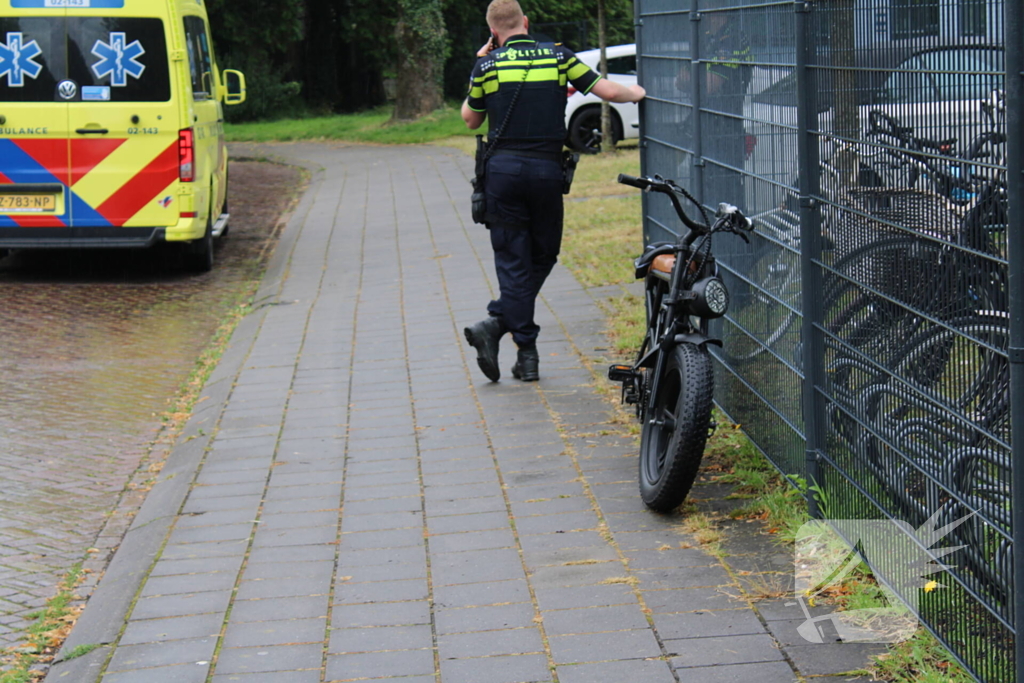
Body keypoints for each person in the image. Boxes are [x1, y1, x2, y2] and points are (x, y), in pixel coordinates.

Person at [461, 0, 645, 382]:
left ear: (493, 31)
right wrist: (640, 93)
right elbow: (607, 90)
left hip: (503, 174)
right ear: (525, 23)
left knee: (513, 260)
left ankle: (501, 329)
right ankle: (521, 353)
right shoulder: (559, 57)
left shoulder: (487, 65)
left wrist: (481, 61)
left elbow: (470, 118)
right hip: (546, 172)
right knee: (543, 253)